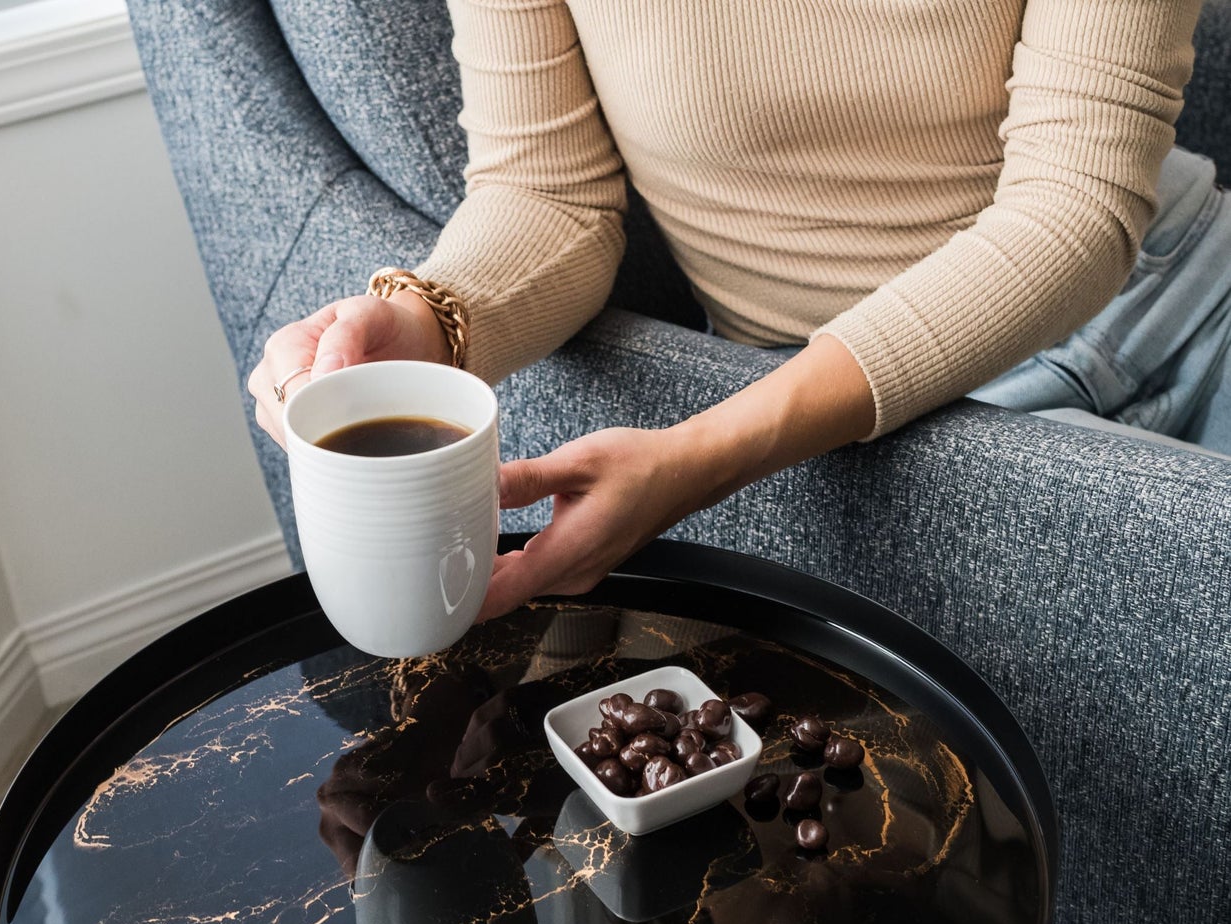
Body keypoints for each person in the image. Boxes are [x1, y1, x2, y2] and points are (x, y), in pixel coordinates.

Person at [249, 1, 1228, 621]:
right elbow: (548, 193)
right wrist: (431, 322)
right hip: (868, 406)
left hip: (1182, 305)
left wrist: (701, 455)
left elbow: (1078, 207)